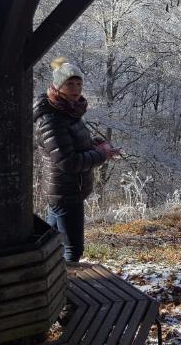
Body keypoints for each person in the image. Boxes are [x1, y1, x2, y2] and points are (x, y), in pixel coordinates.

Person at [34, 57, 119, 262]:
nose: (76, 88)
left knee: (48, 242)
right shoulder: (51, 119)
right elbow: (67, 161)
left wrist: (95, 144)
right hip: (65, 192)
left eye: (78, 83)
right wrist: (101, 155)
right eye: (69, 84)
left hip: (67, 190)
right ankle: (66, 289)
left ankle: (47, 280)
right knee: (73, 249)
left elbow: (73, 143)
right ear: (58, 86)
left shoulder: (68, 110)